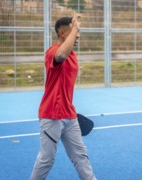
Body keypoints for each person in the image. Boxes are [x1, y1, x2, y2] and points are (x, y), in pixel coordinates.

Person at [30, 14, 97, 180]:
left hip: (69, 115)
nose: (78, 35)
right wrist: (74, 28)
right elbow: (61, 55)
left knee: (81, 156)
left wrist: (73, 29)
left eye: (78, 31)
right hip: (51, 114)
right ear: (62, 33)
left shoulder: (72, 55)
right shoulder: (53, 52)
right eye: (75, 31)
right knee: (46, 159)